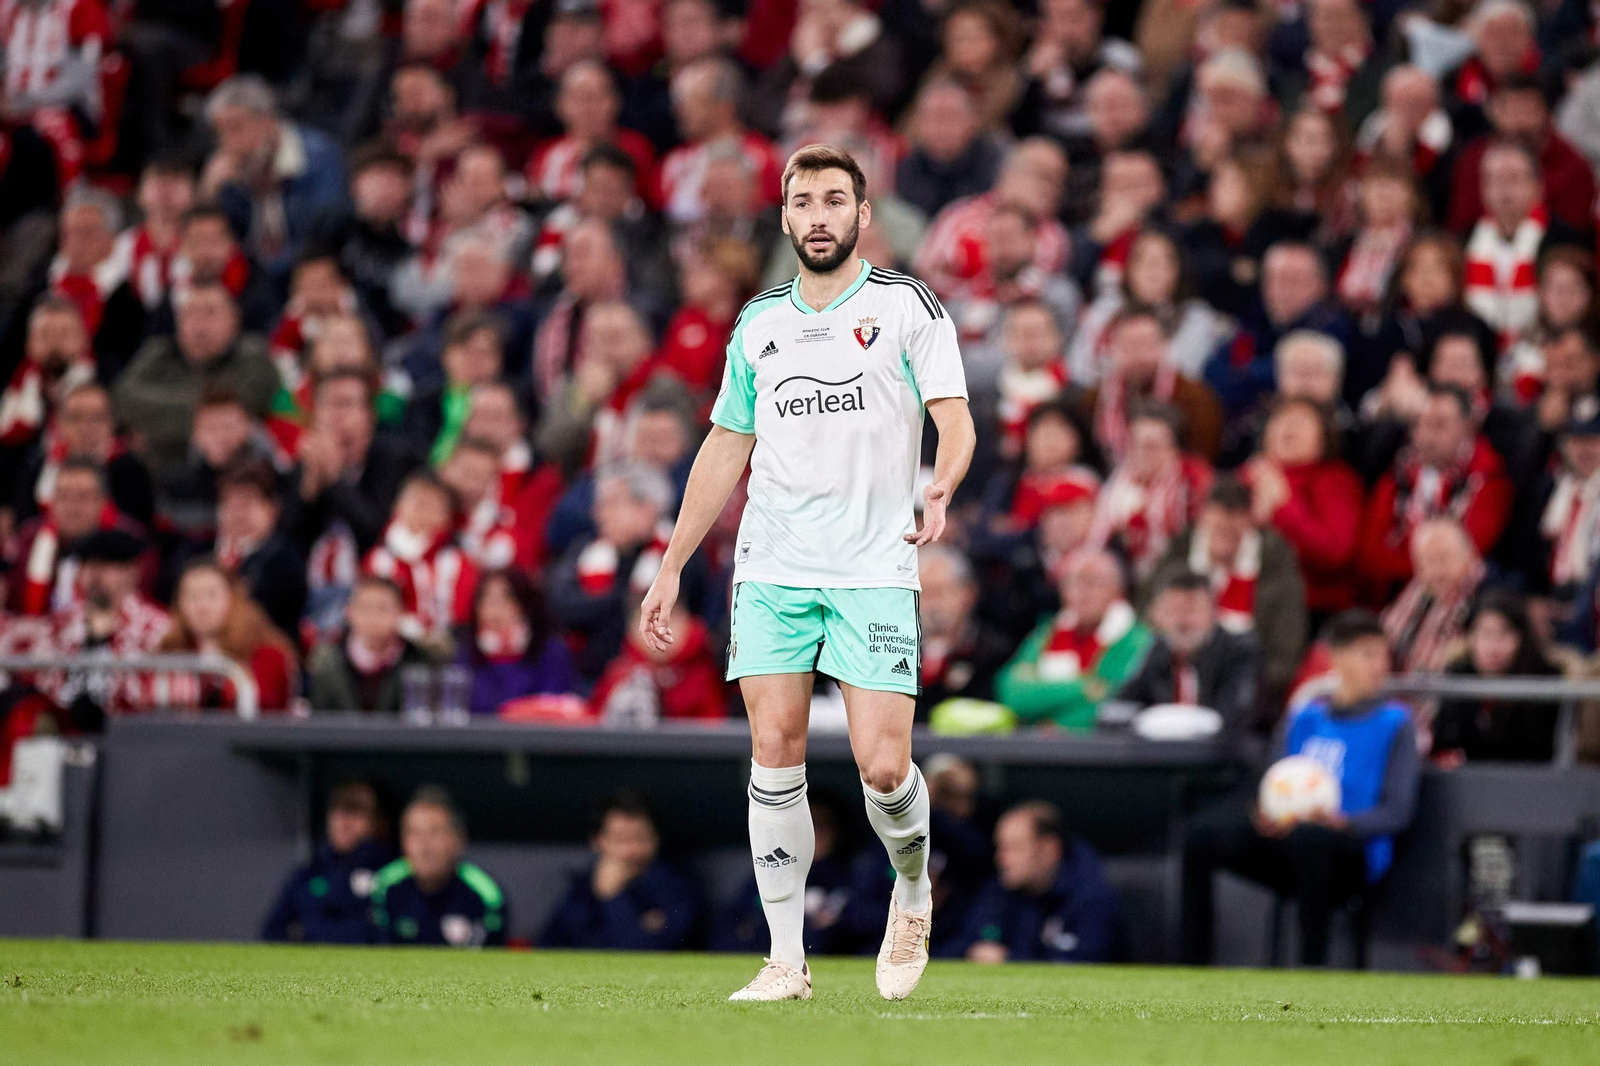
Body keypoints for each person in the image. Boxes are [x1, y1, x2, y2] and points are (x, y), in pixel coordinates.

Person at [636, 144, 976, 1001]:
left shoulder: (908, 307)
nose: (818, 215)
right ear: (784, 217)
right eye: (803, 202)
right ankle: (786, 958)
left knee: (883, 768)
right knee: (774, 748)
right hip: (774, 562)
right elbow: (725, 445)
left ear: (863, 216)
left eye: (834, 200)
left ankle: (912, 889)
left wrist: (939, 485)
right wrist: (673, 565)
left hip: (874, 566)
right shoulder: (758, 323)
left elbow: (955, 419)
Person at [1180, 610, 1421, 967]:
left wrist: (1344, 823)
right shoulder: (1305, 716)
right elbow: (1274, 780)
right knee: (1200, 836)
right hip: (1290, 843)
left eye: (1383, 655)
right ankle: (1192, 964)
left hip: (1352, 854)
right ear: (1337, 657)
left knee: (1312, 838)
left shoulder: (1396, 723)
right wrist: (1263, 813)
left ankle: (1312, 967)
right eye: (1366, 654)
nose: (1379, 665)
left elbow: (1398, 810)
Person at [1148, 479, 1306, 707]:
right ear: (1203, 519)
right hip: (1175, 678)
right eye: (1217, 529)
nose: (1224, 539)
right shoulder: (1178, 554)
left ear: (1249, 523)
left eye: (1233, 532)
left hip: (1249, 684)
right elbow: (1148, 617)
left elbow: (1286, 647)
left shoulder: (1276, 564)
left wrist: (1253, 690)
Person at [113, 281, 281, 473]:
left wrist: (155, 422)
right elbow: (122, 398)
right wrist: (207, 415)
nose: (200, 323)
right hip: (159, 472)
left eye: (210, 312)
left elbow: (249, 403)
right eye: (190, 313)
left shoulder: (253, 355)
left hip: (238, 473)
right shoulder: (157, 354)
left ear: (234, 319)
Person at [995, 548, 1151, 731]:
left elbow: (1111, 702)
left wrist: (1055, 723)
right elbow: (1012, 693)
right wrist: (1085, 687)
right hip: (1038, 751)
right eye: (1073, 583)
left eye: (1094, 583)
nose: (1083, 594)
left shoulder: (1136, 639)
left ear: (1118, 591)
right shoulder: (1047, 633)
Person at [959, 801, 1120, 964]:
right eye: (1000, 847)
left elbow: (1084, 964)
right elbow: (963, 944)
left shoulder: (1092, 898)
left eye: (1014, 847)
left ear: (1049, 849)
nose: (1001, 858)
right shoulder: (996, 891)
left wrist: (1009, 960)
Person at [539, 793, 700, 951]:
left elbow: (639, 950)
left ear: (657, 839)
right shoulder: (583, 888)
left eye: (642, 838)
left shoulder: (676, 888)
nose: (632, 850)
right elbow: (548, 948)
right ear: (597, 841)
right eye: (620, 839)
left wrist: (613, 897)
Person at [1120, 568, 1262, 736]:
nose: (1183, 621)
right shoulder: (1154, 652)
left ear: (1213, 613)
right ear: (1156, 616)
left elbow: (1237, 716)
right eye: (1174, 610)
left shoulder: (1240, 653)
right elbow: (1125, 707)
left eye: (1192, 610)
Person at [1432, 589, 1562, 765]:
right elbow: (1443, 744)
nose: (1493, 647)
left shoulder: (1544, 682)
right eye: (1485, 634)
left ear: (1522, 638)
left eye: (1504, 634)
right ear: (1471, 637)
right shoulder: (1457, 678)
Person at [370, 787, 508, 947]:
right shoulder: (383, 887)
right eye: (414, 833)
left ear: (459, 840)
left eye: (435, 833)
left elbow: (491, 960)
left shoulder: (486, 895)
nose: (424, 847)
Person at [156, 559, 299, 713]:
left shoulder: (267, 654)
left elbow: (263, 707)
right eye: (192, 596)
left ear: (234, 598)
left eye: (212, 595)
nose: (202, 606)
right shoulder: (168, 654)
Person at [262, 781, 394, 943]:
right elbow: (272, 932)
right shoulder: (308, 874)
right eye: (338, 811)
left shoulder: (392, 875)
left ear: (377, 822)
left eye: (356, 812)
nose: (344, 822)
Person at [454, 569, 581, 717]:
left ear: (524, 605)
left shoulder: (551, 652)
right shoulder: (466, 655)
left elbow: (555, 706)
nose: (494, 609)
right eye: (486, 599)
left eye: (505, 599)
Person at [914, 545, 1016, 721]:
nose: (932, 605)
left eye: (940, 592)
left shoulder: (996, 652)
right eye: (924, 593)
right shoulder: (897, 655)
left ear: (968, 594)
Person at [306, 576, 433, 714]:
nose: (373, 617)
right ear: (349, 612)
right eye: (364, 608)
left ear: (401, 612)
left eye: (382, 608)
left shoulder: (418, 661)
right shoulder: (326, 662)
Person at [591, 598, 726, 722]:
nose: (659, 630)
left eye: (669, 619)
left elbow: (714, 729)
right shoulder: (619, 675)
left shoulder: (704, 673)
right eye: (649, 621)